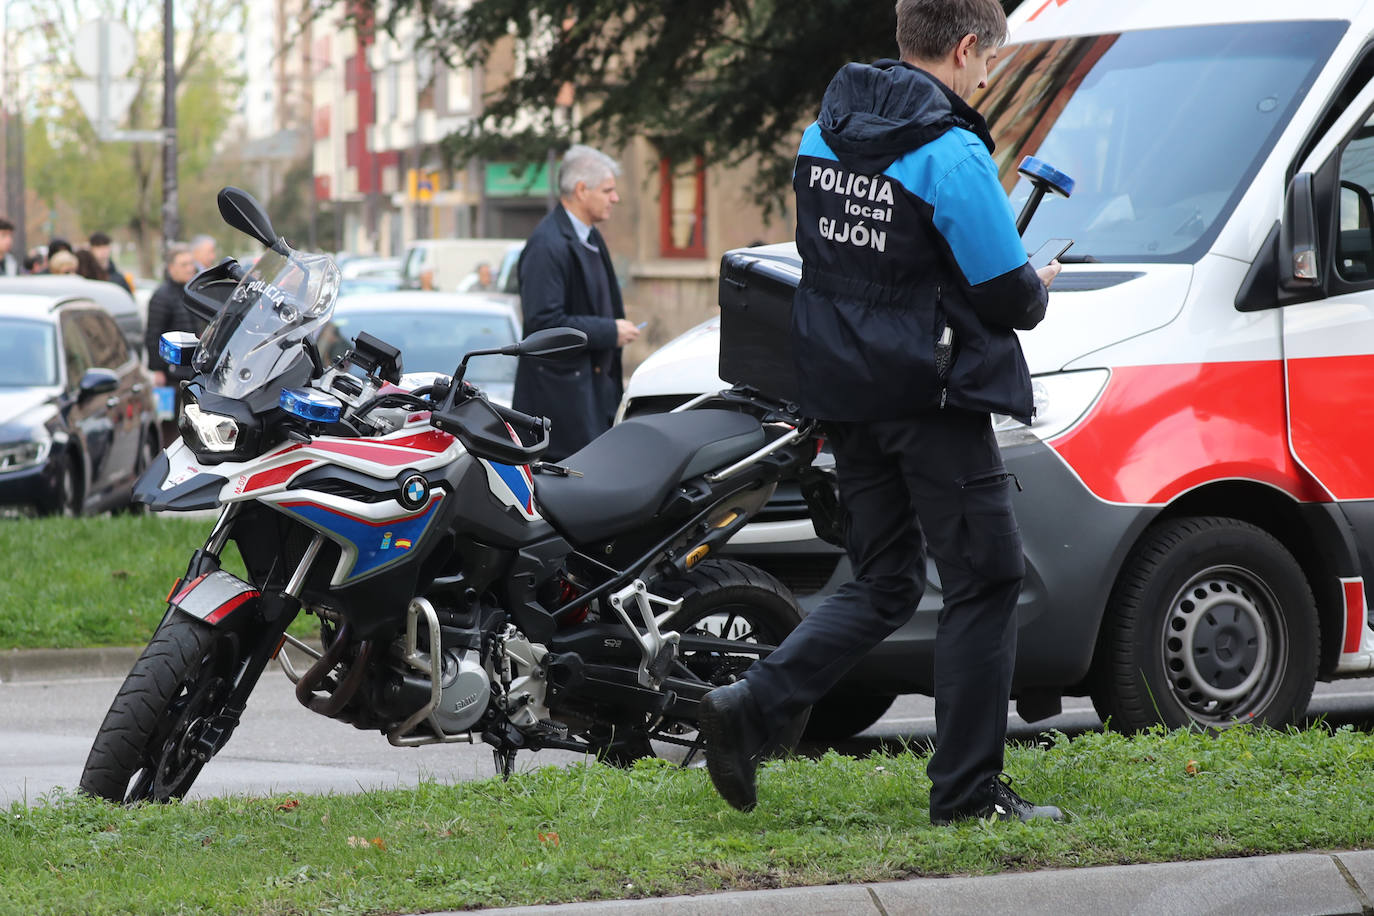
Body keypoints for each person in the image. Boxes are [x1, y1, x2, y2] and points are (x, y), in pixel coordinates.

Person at [697, 0, 1065, 827]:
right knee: (987, 578)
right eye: (988, 61)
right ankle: (967, 797)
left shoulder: (821, 130)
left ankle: (750, 705)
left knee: (888, 580)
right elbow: (1007, 296)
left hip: (843, 390)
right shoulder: (952, 149)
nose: (985, 77)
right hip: (931, 398)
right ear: (967, 47)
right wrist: (1035, 284)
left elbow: (838, 258)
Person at [511, 144, 640, 460]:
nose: (616, 198)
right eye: (608, 190)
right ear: (582, 190)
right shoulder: (547, 245)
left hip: (590, 394)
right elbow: (544, 324)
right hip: (562, 408)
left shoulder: (589, 236)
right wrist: (608, 331)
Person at [145, 244, 205, 442]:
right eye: (184, 264)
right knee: (170, 427)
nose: (190, 268)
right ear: (171, 268)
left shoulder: (193, 292)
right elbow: (153, 335)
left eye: (191, 263)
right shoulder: (162, 296)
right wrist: (158, 369)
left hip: (192, 371)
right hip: (170, 375)